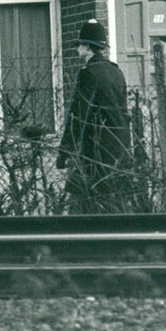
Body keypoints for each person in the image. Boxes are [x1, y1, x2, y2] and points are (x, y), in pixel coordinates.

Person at [56, 18, 132, 213]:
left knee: (83, 203)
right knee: (113, 202)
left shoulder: (88, 73)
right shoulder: (117, 71)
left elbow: (79, 115)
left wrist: (65, 150)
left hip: (95, 147)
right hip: (118, 145)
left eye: (80, 45)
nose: (77, 49)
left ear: (88, 47)